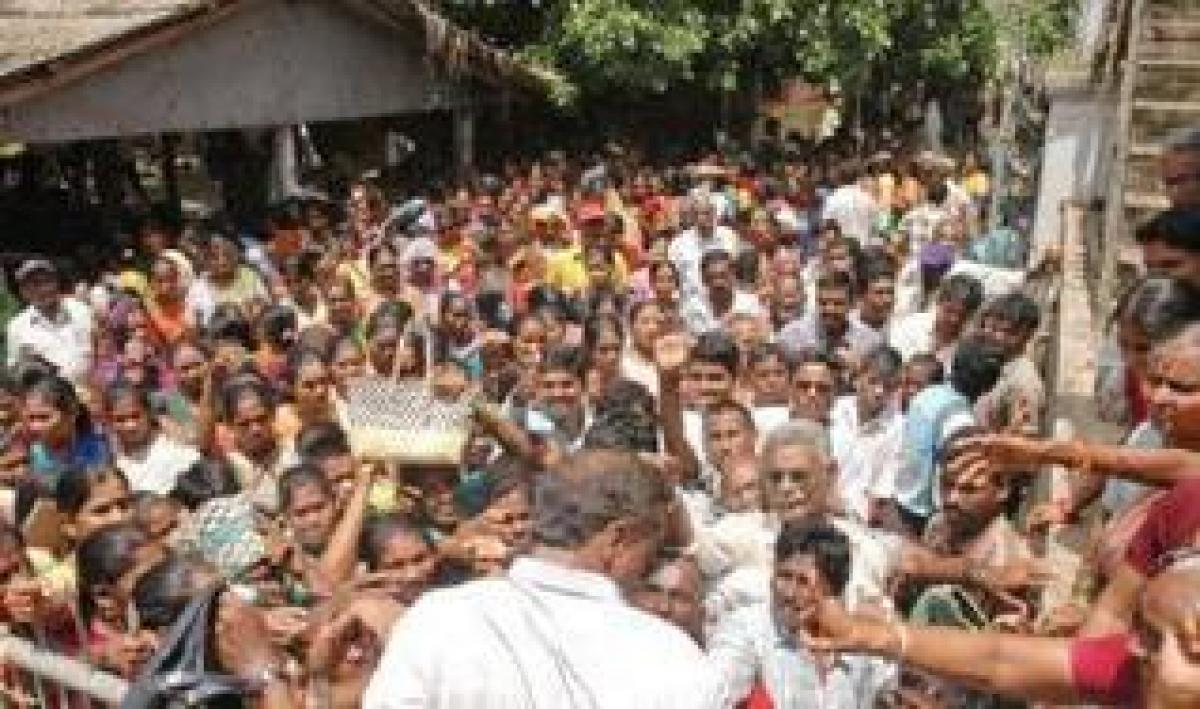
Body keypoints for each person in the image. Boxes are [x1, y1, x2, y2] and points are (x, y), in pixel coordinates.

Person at [363, 449, 712, 708]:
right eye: (649, 554)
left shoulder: (437, 618)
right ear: (618, 539)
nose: (645, 571)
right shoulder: (670, 657)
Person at [706, 517, 896, 707]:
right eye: (784, 576)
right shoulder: (748, 630)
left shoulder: (857, 645)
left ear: (833, 590)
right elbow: (715, 691)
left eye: (803, 582)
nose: (789, 593)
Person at [828, 345, 904, 523]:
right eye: (873, 381)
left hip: (860, 521)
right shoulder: (834, 410)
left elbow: (881, 494)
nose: (879, 392)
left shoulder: (899, 429)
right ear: (857, 379)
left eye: (888, 386)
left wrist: (849, 513)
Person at [6, 259, 94, 386]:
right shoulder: (17, 327)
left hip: (93, 393)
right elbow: (15, 371)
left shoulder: (81, 310)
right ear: (23, 292)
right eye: (35, 285)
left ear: (57, 283)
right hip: (53, 399)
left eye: (47, 281)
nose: (43, 289)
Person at [888, 273, 984, 365]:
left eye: (962, 315)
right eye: (949, 311)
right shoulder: (911, 328)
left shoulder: (970, 346)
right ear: (938, 302)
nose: (954, 319)